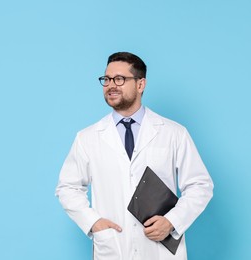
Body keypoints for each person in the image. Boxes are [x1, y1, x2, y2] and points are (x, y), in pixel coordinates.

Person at [55, 52, 213, 260]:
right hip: (113, 246)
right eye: (107, 79)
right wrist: (94, 223)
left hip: (160, 249)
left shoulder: (173, 133)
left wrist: (172, 222)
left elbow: (200, 185)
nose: (111, 85)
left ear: (140, 85)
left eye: (119, 79)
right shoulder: (87, 138)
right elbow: (67, 187)